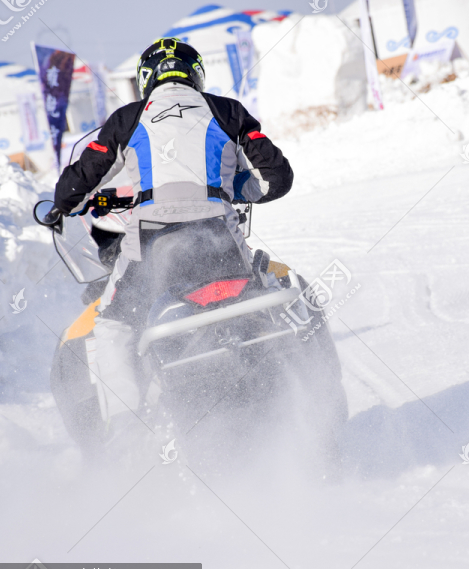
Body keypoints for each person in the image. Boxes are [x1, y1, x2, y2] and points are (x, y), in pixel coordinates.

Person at [46, 37, 294, 422]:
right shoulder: (228, 111)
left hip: (152, 243)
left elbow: (76, 184)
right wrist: (236, 188)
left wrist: (61, 208)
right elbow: (276, 178)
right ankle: (303, 377)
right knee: (270, 287)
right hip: (219, 236)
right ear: (196, 74)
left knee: (113, 324)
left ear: (146, 78)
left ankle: (126, 433)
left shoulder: (128, 119)